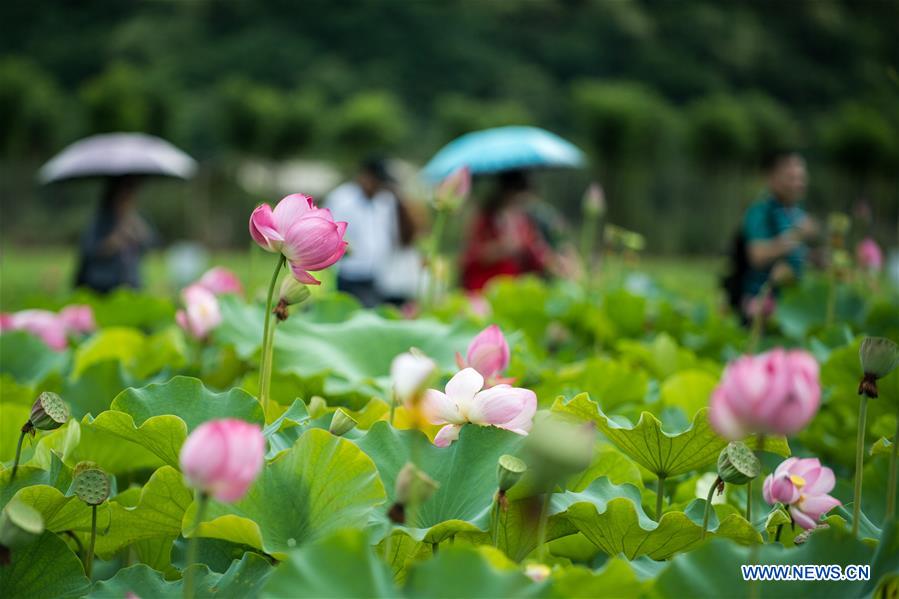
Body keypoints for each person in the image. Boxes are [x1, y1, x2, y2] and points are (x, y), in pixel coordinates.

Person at [724, 151, 818, 320]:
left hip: (791, 308)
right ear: (772, 178)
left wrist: (813, 258)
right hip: (760, 306)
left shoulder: (796, 213)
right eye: (791, 177)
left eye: (801, 177)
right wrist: (797, 235)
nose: (798, 183)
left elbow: (794, 254)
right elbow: (757, 255)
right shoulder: (760, 212)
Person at [325, 158, 415, 307]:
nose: (379, 186)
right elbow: (329, 232)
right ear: (364, 176)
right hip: (349, 274)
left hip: (376, 276)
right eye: (377, 181)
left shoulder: (385, 200)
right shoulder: (342, 198)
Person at [460, 170, 556, 292]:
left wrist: (549, 260)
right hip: (485, 285)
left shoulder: (525, 221)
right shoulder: (485, 219)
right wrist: (502, 248)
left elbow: (536, 253)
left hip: (514, 284)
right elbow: (471, 255)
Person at [74, 176, 156, 293]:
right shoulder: (101, 220)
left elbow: (150, 244)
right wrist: (115, 240)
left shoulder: (136, 219)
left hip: (131, 283)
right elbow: (89, 250)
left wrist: (141, 232)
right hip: (103, 284)